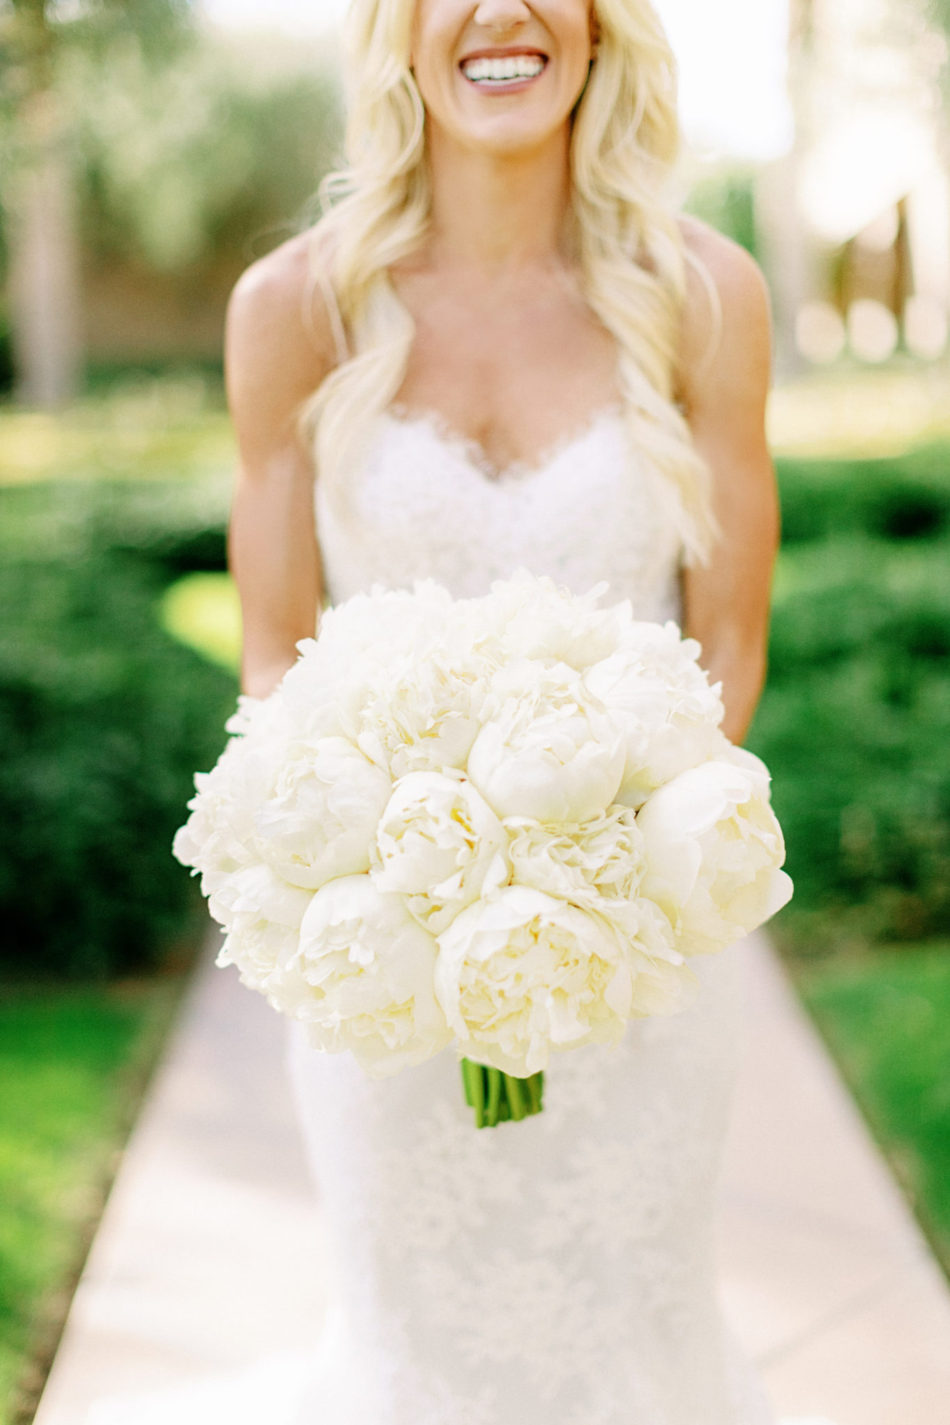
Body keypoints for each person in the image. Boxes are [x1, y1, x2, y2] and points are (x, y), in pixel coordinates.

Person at [224, 1, 780, 1421]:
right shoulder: (294, 307)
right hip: (383, 954)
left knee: (629, 1329)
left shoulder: (704, 292)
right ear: (397, 31)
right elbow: (274, 666)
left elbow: (724, 642)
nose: (498, 12)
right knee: (415, 1338)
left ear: (600, 29)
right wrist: (394, 889)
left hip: (641, 941)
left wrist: (594, 879)